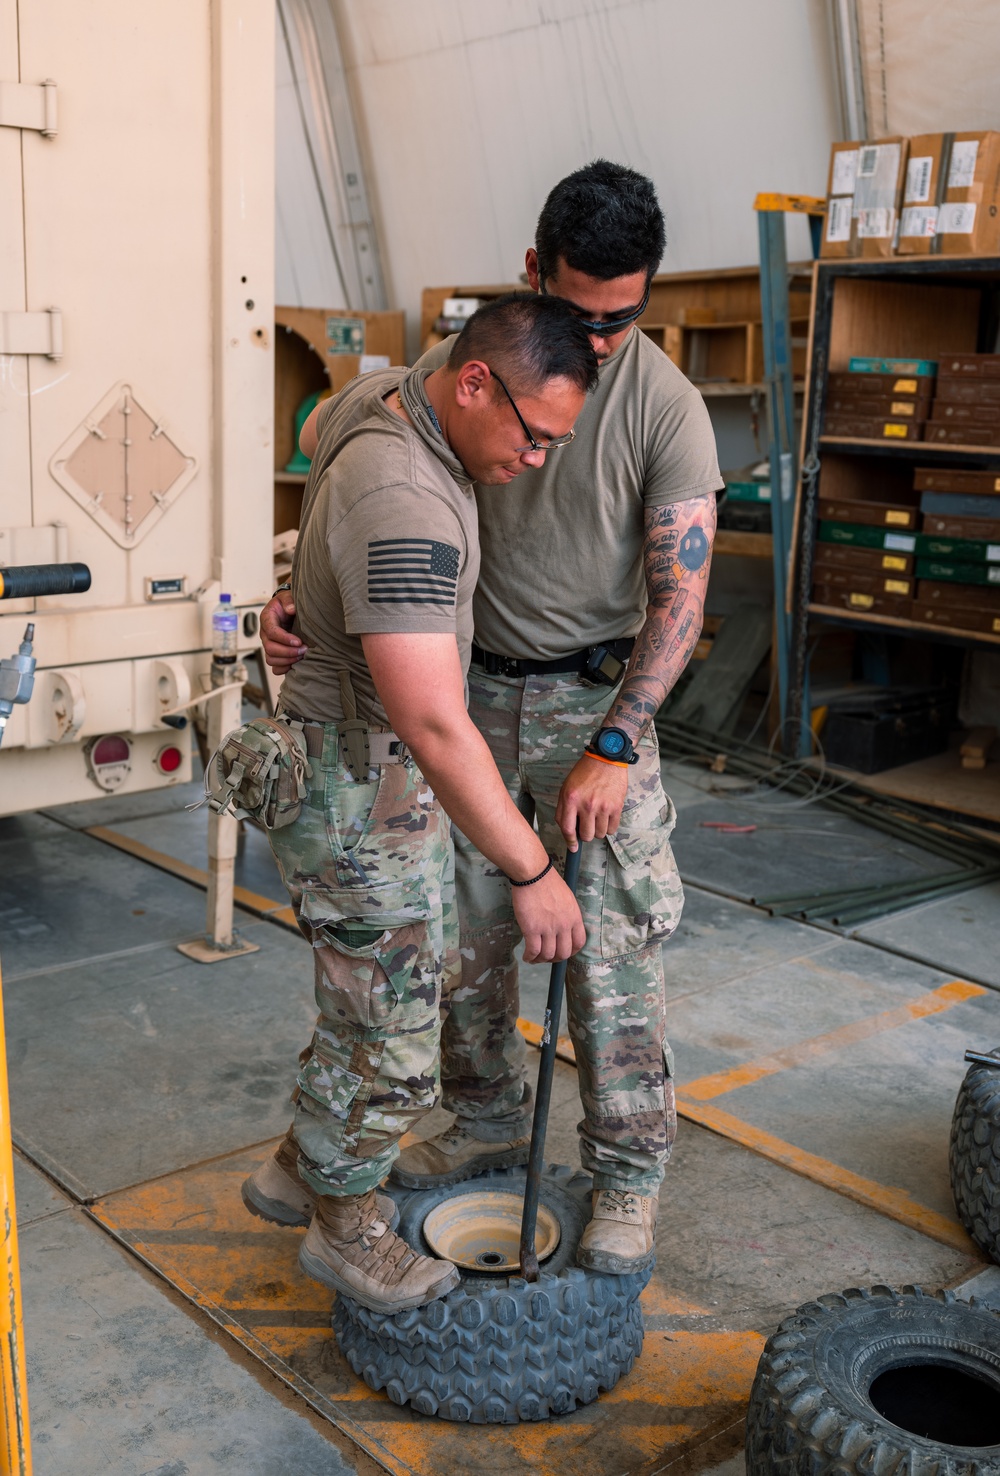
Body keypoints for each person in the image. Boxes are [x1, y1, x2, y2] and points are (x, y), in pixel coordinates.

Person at [261, 161, 723, 1277]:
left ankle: (624, 1179)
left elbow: (682, 595)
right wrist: (303, 601)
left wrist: (616, 745)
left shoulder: (665, 406)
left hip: (590, 707)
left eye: (626, 316)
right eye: (581, 311)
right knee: (457, 950)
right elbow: (346, 467)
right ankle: (477, 1115)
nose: (603, 341)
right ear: (532, 278)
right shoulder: (457, 374)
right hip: (458, 700)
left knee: (608, 952)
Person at [242, 293, 598, 1314]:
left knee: (373, 984)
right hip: (359, 778)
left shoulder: (376, 398)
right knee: (394, 1025)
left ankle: (296, 1166)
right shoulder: (405, 494)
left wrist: (306, 593)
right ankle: (345, 1229)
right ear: (475, 381)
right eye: (532, 438)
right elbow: (435, 722)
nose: (535, 462)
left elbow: (311, 434)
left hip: (357, 760)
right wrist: (532, 872)